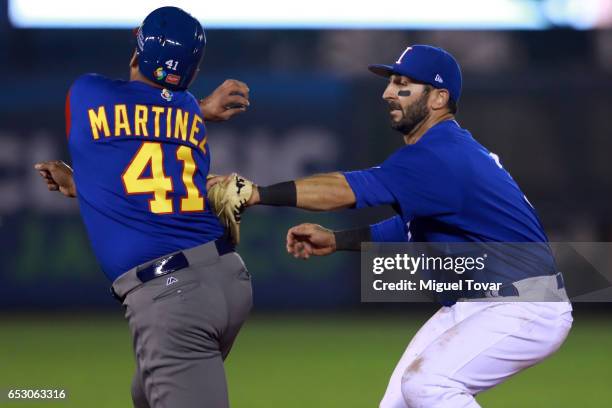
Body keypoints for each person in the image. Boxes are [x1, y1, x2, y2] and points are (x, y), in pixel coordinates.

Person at [210, 44, 573, 407]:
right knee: (398, 400)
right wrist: (339, 240)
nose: (387, 93)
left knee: (427, 385)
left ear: (438, 98)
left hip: (524, 306)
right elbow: (410, 228)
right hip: (480, 303)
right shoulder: (444, 151)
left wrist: (257, 193)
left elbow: (345, 189)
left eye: (403, 83)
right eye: (390, 82)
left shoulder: (440, 155)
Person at [35, 7, 252, 408]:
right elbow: (159, 118)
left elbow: (133, 136)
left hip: (172, 296)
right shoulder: (188, 112)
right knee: (146, 397)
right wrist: (199, 108)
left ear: (138, 51)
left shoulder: (87, 93)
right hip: (224, 278)